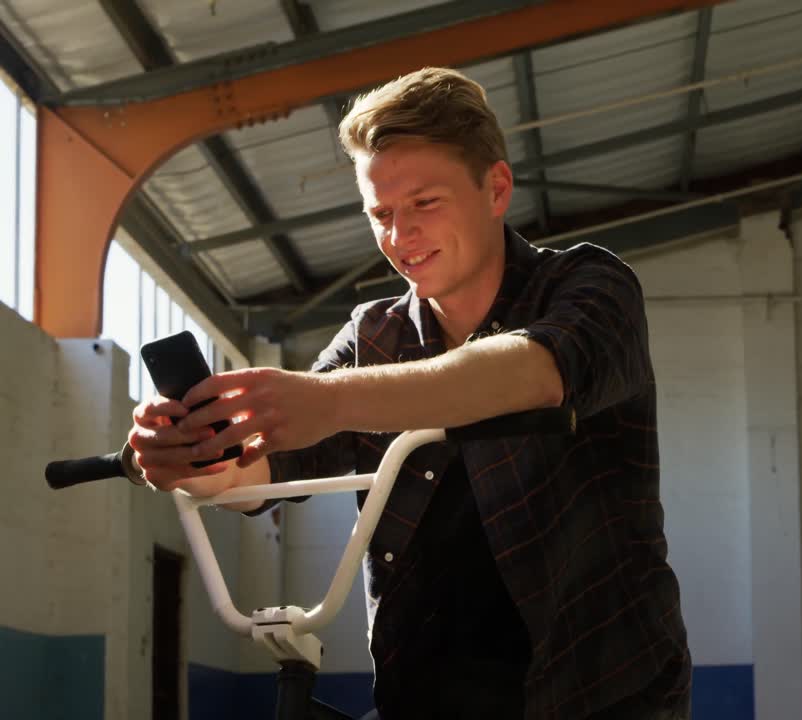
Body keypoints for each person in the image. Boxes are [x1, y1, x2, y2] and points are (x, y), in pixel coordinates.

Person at [124, 67, 691, 720]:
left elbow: (535, 373)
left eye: (424, 203)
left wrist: (330, 400)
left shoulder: (591, 285)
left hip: (602, 692)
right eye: (381, 214)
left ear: (496, 188)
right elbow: (268, 466)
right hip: (421, 697)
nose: (399, 237)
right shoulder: (373, 335)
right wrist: (198, 459)